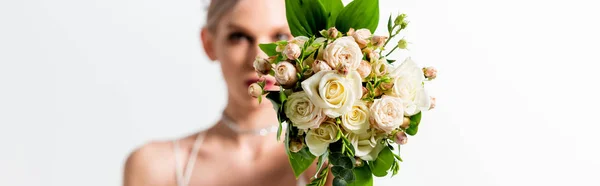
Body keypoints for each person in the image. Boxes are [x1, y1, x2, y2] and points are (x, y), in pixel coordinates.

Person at [123, 0, 333, 185]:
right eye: (239, 37)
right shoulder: (157, 167)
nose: (258, 60)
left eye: (279, 36)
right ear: (209, 43)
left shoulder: (330, 162)